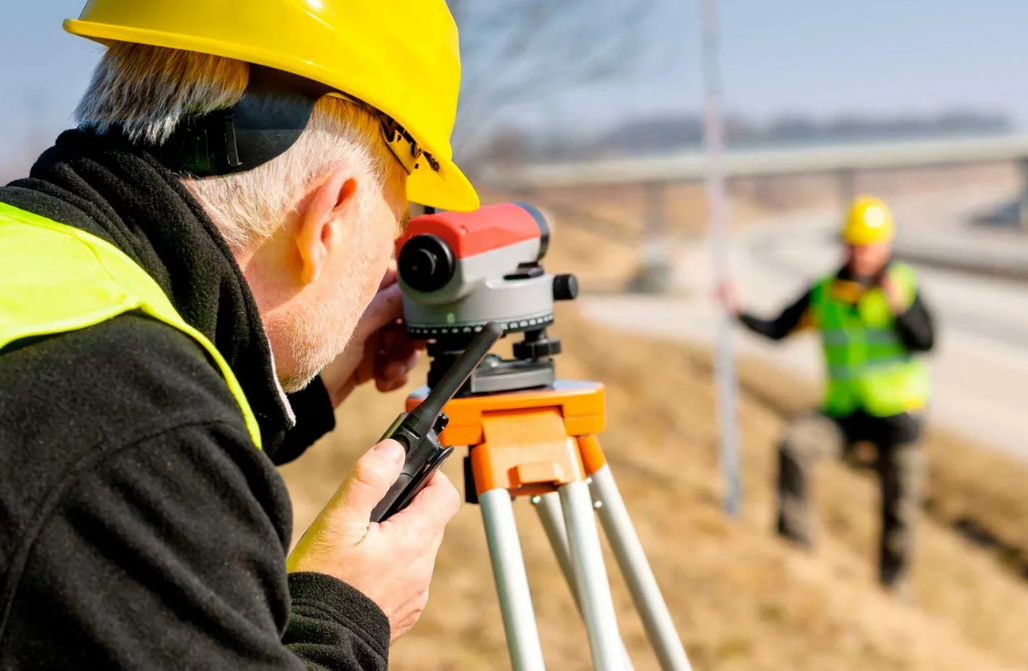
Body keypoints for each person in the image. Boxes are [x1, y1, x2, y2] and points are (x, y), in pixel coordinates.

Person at [0, 1, 479, 668]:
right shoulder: (135, 426)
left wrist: (291, 393)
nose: (385, 267)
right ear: (331, 214)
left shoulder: (36, 276)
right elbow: (129, 445)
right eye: (393, 229)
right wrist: (344, 613)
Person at [719, 195, 935, 595]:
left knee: (900, 506)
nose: (861, 253)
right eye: (854, 243)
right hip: (844, 411)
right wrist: (738, 310)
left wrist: (900, 310)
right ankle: (795, 550)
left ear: (885, 245)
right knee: (794, 446)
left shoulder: (902, 286)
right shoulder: (825, 293)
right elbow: (778, 329)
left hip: (899, 415)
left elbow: (926, 341)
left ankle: (894, 586)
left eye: (868, 244)